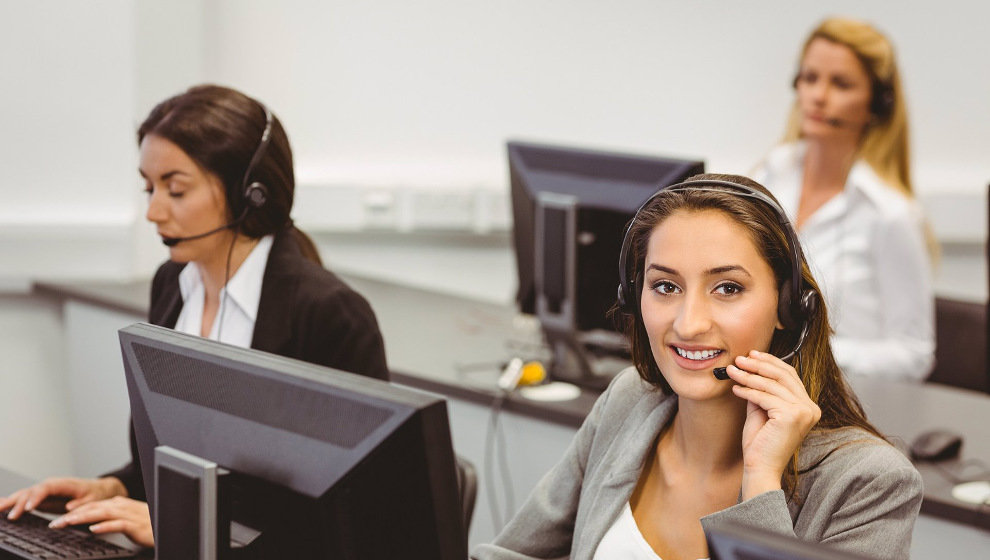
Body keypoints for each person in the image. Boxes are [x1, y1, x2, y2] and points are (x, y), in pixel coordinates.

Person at [0, 85, 389, 547]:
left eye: (175, 189)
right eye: (149, 187)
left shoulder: (329, 316)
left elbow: (353, 525)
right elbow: (182, 465)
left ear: (251, 194)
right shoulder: (173, 285)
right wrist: (117, 487)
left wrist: (196, 529)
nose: (153, 211)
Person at [472, 174, 922, 560]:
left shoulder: (868, 484)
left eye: (727, 288)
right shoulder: (628, 402)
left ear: (789, 306)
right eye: (665, 285)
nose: (688, 324)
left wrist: (762, 484)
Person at [753, 17, 934, 380]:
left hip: (844, 405)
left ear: (877, 104)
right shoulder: (766, 177)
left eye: (841, 84)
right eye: (810, 78)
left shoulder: (889, 215)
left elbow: (915, 355)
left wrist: (811, 348)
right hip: (763, 391)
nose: (818, 95)